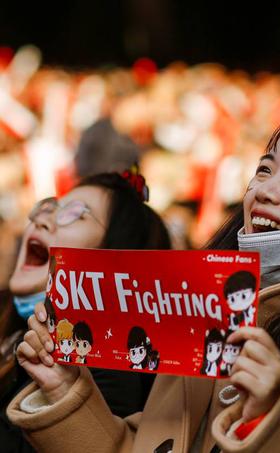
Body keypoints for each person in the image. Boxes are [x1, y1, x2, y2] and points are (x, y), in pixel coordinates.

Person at [7, 113, 280, 452]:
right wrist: (68, 393)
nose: (263, 191)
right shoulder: (202, 317)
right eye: (265, 169)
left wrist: (269, 421)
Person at [0, 171, 171, 452]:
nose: (41, 220)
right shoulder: (8, 316)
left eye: (75, 215)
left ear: (113, 259)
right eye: (50, 207)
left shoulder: (103, 369)